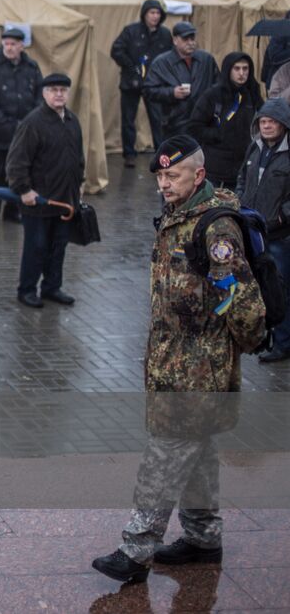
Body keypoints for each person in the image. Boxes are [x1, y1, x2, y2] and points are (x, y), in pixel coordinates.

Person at [92, 137, 267, 584]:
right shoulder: (178, 215)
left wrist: (231, 346)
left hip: (197, 369)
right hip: (172, 362)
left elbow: (242, 302)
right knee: (199, 452)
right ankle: (203, 538)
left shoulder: (215, 229)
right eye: (160, 177)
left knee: (164, 456)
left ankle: (135, 551)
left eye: (173, 176)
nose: (164, 185)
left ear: (199, 176)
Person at [7, 73, 84, 309]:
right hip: (38, 201)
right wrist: (24, 190)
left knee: (58, 246)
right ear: (44, 93)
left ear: (68, 93)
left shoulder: (72, 121)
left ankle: (52, 287)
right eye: (53, 90)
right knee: (36, 247)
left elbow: (78, 158)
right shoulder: (33, 123)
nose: (59, 94)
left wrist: (80, 185)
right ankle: (27, 289)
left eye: (62, 90)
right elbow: (16, 161)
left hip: (64, 200)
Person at [236, 99, 290, 363]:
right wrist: (238, 202)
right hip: (255, 231)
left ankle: (283, 343)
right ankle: (269, 338)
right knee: (264, 288)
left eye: (272, 122)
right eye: (263, 122)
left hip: (281, 235)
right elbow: (242, 179)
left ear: (283, 125)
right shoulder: (254, 148)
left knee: (282, 289)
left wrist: (283, 215)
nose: (267, 126)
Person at [0, 26, 43, 225]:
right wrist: (0, 120)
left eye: (13, 44)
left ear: (22, 46)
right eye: (6, 44)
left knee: (21, 173)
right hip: (0, 130)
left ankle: (13, 210)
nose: (9, 48)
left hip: (25, 130)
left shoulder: (32, 67)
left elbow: (40, 93)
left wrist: (32, 119)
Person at [110, 0, 172, 167]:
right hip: (132, 82)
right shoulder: (131, 31)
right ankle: (129, 154)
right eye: (152, 12)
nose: (155, 16)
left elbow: (170, 57)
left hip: (155, 84)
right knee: (128, 119)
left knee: (157, 119)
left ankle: (161, 154)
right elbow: (116, 50)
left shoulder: (165, 35)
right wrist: (131, 67)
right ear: (144, 14)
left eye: (158, 13)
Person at [190, 52, 262, 189]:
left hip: (243, 162)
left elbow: (262, 117)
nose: (241, 73)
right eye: (237, 68)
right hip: (215, 165)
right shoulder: (213, 95)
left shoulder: (252, 92)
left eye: (245, 68)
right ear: (228, 69)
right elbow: (195, 126)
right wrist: (218, 135)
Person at [145, 21, 218, 141]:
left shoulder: (206, 59)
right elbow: (148, 90)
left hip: (204, 121)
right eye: (185, 39)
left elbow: (218, 85)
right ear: (175, 40)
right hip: (175, 124)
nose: (190, 43)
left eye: (192, 38)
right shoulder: (161, 63)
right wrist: (172, 93)